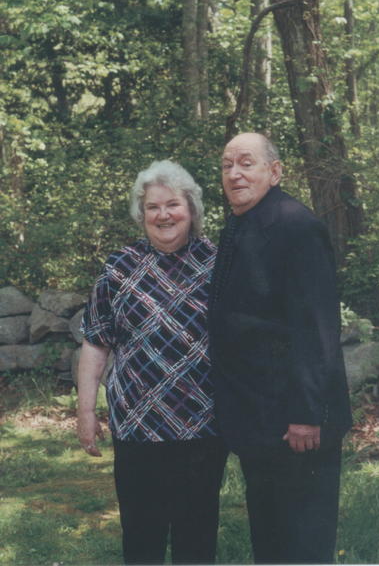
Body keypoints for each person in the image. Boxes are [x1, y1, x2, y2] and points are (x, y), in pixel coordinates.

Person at [208, 132, 352, 564]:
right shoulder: (241, 224)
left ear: (275, 172)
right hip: (260, 417)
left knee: (303, 544)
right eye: (227, 165)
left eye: (246, 163)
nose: (234, 173)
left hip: (298, 424)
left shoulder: (296, 227)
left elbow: (314, 327)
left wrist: (307, 415)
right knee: (271, 540)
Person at [77, 160, 227, 566]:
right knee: (142, 538)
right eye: (152, 207)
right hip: (137, 427)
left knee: (196, 540)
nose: (163, 215)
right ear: (141, 214)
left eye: (172, 204)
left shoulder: (220, 264)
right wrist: (86, 410)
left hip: (203, 425)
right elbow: (95, 341)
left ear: (191, 208)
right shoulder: (119, 266)